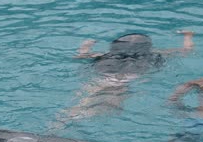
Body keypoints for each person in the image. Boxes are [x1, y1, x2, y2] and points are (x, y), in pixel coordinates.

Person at [60, 31, 194, 121]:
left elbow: (81, 55)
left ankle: (64, 120)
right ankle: (98, 115)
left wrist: (86, 45)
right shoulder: (152, 54)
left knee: (83, 99)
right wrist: (188, 35)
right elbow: (185, 51)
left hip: (105, 73)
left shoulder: (107, 54)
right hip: (131, 76)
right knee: (113, 103)